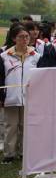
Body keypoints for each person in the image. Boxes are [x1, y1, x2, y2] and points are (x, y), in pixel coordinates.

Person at [0, 25, 46, 163]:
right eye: (21, 37)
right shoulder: (4, 56)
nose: (25, 39)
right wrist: (1, 97)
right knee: (10, 126)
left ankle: (23, 152)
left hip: (30, 97)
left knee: (26, 126)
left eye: (26, 36)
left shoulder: (36, 56)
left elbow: (40, 78)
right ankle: (9, 154)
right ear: (14, 38)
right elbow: (1, 77)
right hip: (10, 97)